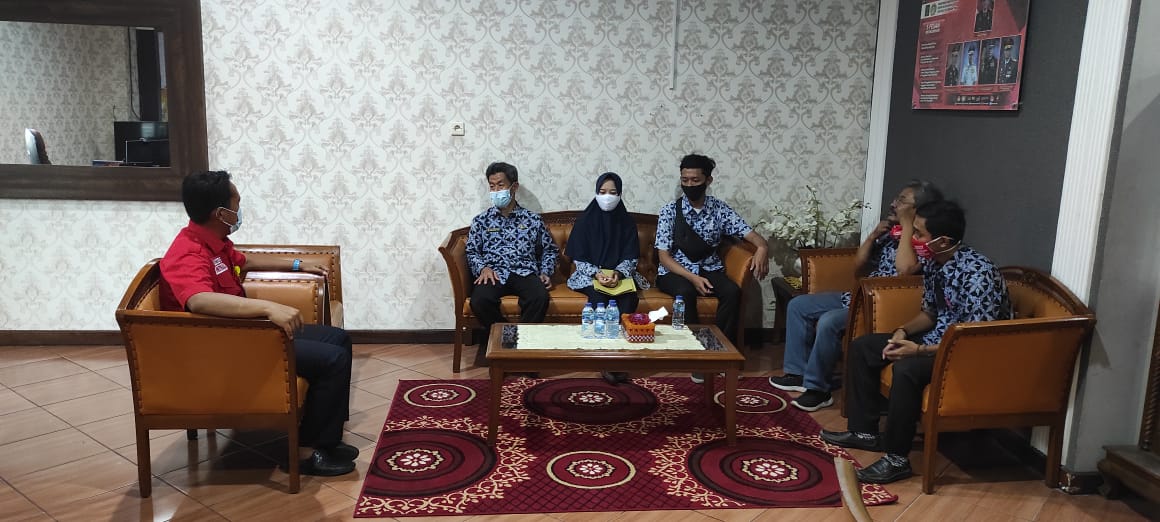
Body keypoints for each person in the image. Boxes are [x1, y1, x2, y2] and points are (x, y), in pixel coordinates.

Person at [158, 170, 357, 477]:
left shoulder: (214, 241)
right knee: (332, 359)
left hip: (242, 336)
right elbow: (198, 300)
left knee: (338, 339)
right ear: (220, 213)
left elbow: (245, 261)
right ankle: (305, 453)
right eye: (236, 203)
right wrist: (267, 307)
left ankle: (326, 440)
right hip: (219, 349)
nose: (239, 210)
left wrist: (298, 264)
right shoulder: (188, 251)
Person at [820, 200, 1011, 485]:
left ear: (942, 240)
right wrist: (902, 332)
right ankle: (864, 432)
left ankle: (897, 460)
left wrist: (918, 350)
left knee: (906, 369)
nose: (914, 239)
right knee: (864, 347)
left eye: (919, 234)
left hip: (966, 353)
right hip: (938, 340)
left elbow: (974, 339)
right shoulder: (935, 263)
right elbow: (929, 313)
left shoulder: (978, 274)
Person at [770, 181, 943, 412]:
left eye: (901, 201)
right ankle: (797, 373)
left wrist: (907, 226)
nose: (893, 204)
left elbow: (905, 270)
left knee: (829, 321)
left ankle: (818, 390)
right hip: (857, 295)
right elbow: (859, 267)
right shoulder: (890, 234)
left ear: (918, 208)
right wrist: (873, 236)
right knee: (799, 305)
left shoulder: (923, 241)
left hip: (879, 306)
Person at [655, 154, 769, 382]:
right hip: (675, 271)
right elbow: (664, 257)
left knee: (732, 292)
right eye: (685, 180)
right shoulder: (670, 211)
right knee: (685, 292)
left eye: (695, 180)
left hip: (709, 267)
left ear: (708, 180)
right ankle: (697, 357)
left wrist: (762, 247)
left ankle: (719, 353)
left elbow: (752, 235)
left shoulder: (719, 209)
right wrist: (692, 278)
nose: (689, 185)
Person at [467, 161, 560, 367]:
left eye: (500, 185)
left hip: (524, 271)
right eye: (492, 186)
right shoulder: (481, 221)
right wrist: (482, 268)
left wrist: (545, 271)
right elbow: (472, 251)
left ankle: (523, 352)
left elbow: (549, 250)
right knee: (480, 300)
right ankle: (508, 344)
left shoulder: (532, 220)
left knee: (539, 297)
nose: (496, 190)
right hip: (494, 272)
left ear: (514, 186)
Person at [567, 172, 647, 384]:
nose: (607, 197)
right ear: (596, 193)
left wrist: (617, 274)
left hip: (620, 276)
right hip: (590, 275)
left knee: (629, 299)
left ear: (620, 195)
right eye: (602, 192)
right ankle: (603, 356)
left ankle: (620, 354)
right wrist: (597, 274)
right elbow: (578, 258)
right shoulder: (584, 221)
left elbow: (631, 257)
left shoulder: (626, 223)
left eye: (612, 192)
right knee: (599, 298)